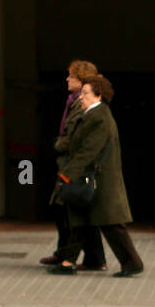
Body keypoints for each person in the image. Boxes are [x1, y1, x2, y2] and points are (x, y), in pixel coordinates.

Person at [48, 74, 145, 277]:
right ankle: (68, 262)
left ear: (98, 95)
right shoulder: (94, 114)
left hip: (100, 180)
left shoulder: (98, 116)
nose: (80, 97)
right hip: (94, 178)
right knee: (82, 220)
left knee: (111, 224)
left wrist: (67, 175)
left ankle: (132, 263)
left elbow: (89, 150)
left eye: (85, 93)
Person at [40, 61, 107, 271]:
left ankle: (69, 256)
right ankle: (89, 257)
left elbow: (75, 137)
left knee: (70, 210)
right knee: (72, 210)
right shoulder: (75, 101)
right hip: (71, 163)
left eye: (71, 76)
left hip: (75, 165)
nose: (67, 79)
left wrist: (59, 145)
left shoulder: (82, 104)